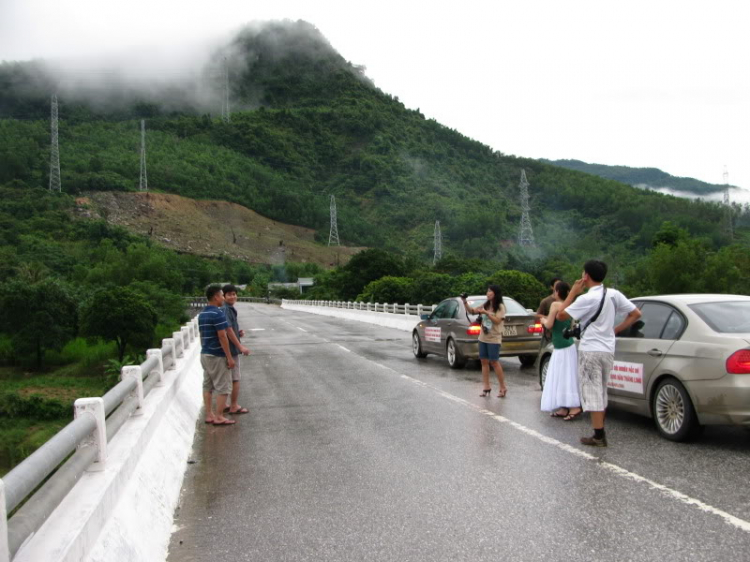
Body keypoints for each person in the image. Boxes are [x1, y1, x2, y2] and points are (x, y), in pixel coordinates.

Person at [557, 260, 642, 447]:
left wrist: (572, 293)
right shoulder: (613, 294)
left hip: (591, 350)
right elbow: (636, 314)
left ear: (585, 276)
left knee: (592, 391)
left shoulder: (586, 298)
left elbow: (561, 316)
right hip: (607, 350)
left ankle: (599, 435)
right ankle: (598, 431)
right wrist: (616, 329)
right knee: (601, 390)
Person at [539, 282, 582, 420]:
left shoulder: (555, 305)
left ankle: (573, 407)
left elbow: (550, 324)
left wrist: (543, 320)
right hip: (567, 344)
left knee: (563, 376)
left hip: (560, 345)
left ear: (557, 292)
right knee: (566, 376)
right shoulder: (570, 305)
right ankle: (565, 406)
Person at [198, 284, 236, 426]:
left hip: (205, 353)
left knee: (207, 385)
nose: (222, 298)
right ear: (215, 297)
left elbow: (202, 335)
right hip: (217, 355)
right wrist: (229, 357)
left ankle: (209, 414)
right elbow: (222, 336)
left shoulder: (202, 314)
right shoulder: (218, 313)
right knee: (223, 387)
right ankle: (219, 416)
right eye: (221, 295)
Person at [461, 285, 508, 398]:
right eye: (487, 291)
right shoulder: (486, 304)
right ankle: (486, 387)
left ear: (495, 293)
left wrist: (487, 313)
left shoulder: (500, 307)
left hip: (494, 338)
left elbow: (497, 321)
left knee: (494, 362)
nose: (488, 293)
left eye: (490, 291)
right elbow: (472, 311)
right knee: (484, 362)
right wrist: (464, 302)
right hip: (483, 337)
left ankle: (503, 387)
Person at [221, 284, 251, 415]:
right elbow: (227, 330)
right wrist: (240, 346)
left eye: (234, 294)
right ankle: (233, 406)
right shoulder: (226, 309)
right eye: (229, 294)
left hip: (228, 349)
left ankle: (226, 405)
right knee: (235, 378)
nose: (233, 296)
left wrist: (238, 333)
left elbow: (230, 329)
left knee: (227, 379)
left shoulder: (228, 308)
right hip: (231, 350)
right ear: (224, 296)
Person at [534, 277, 562, 369]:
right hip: (548, 335)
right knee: (545, 357)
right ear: (552, 287)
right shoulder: (546, 301)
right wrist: (549, 318)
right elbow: (538, 315)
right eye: (556, 285)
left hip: (561, 335)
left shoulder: (566, 302)